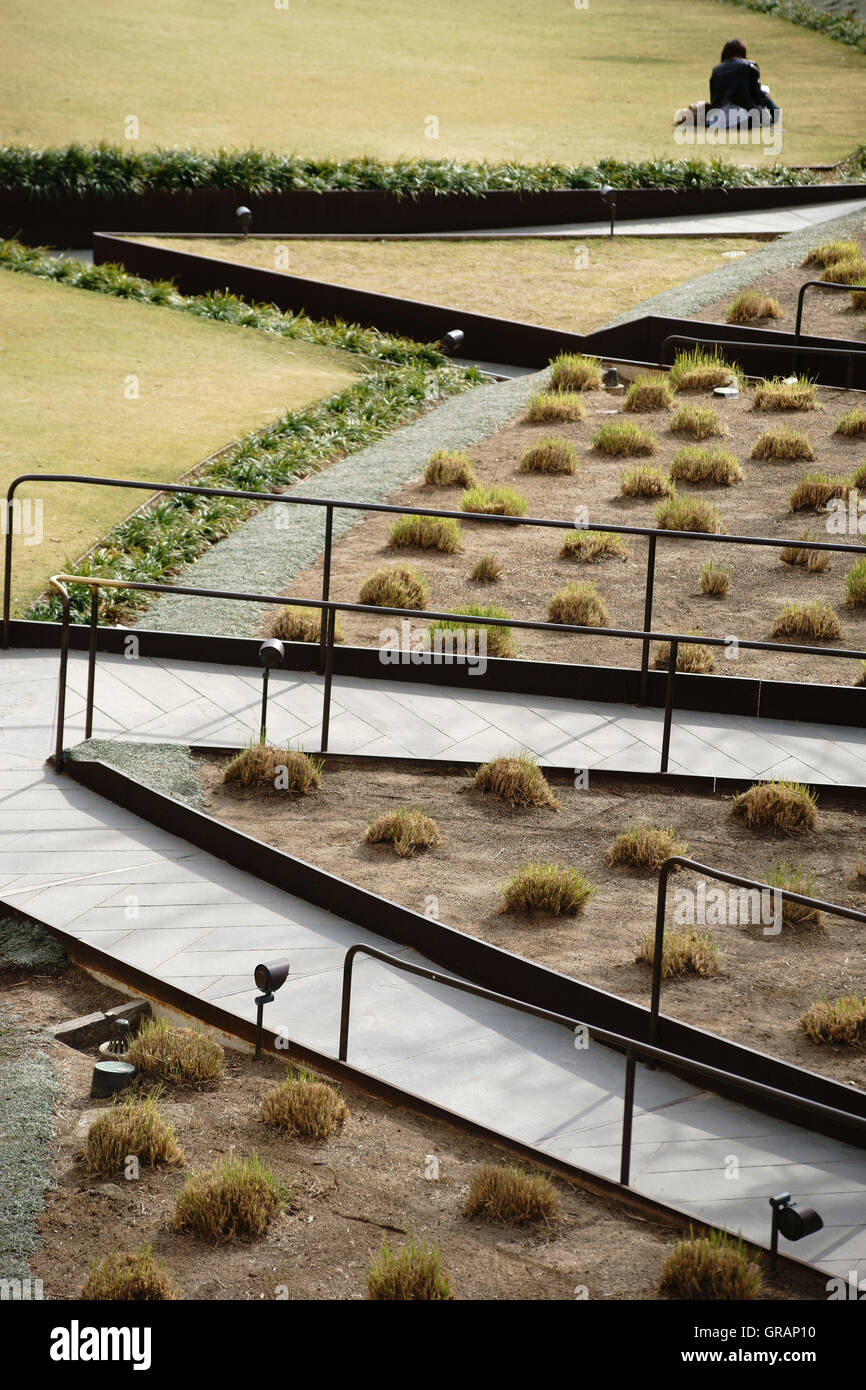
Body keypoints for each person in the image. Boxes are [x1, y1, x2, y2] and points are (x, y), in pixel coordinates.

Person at [709, 38, 780, 129]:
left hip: (717, 121)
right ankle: (776, 113)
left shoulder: (716, 70)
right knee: (763, 91)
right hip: (742, 119)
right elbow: (757, 95)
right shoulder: (749, 66)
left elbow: (713, 98)